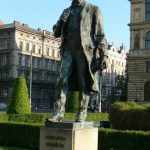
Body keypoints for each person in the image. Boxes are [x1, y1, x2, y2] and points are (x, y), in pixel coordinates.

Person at [47, 0, 108, 122]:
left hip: (84, 51)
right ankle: (58, 113)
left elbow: (100, 34)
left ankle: (82, 112)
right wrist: (60, 23)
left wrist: (104, 54)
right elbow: (56, 33)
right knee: (62, 80)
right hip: (68, 50)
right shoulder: (66, 11)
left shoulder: (93, 9)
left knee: (83, 82)